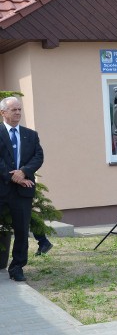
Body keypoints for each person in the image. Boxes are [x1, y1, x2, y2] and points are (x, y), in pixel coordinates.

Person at [0, 96, 44, 281]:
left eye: (19, 109)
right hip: (2, 187)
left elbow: (38, 156)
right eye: (13, 110)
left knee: (21, 230)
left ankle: (17, 267)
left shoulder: (30, 134)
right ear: (3, 112)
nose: (18, 112)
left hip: (22, 191)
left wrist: (24, 171)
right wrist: (13, 176)